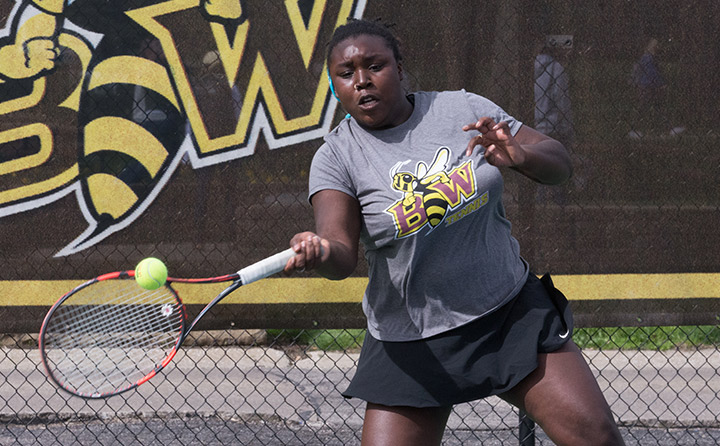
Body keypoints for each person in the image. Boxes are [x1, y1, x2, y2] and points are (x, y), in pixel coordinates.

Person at [284, 19, 625, 446]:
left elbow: (558, 163)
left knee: (596, 436)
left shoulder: (459, 109)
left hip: (507, 314)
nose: (362, 80)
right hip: (411, 341)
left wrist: (520, 156)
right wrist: (318, 252)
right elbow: (339, 252)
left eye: (375, 65)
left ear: (400, 68)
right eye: (346, 73)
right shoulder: (336, 157)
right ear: (335, 86)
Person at [534, 34, 575, 204]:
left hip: (536, 125)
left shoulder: (531, 68)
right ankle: (558, 205)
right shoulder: (557, 69)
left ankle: (542, 202)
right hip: (554, 126)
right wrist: (568, 127)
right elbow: (561, 101)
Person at [628, 37, 684, 138]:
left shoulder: (647, 57)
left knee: (655, 107)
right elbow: (652, 74)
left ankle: (666, 128)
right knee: (647, 107)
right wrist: (661, 84)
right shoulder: (649, 58)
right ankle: (635, 129)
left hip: (646, 85)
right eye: (657, 45)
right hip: (648, 86)